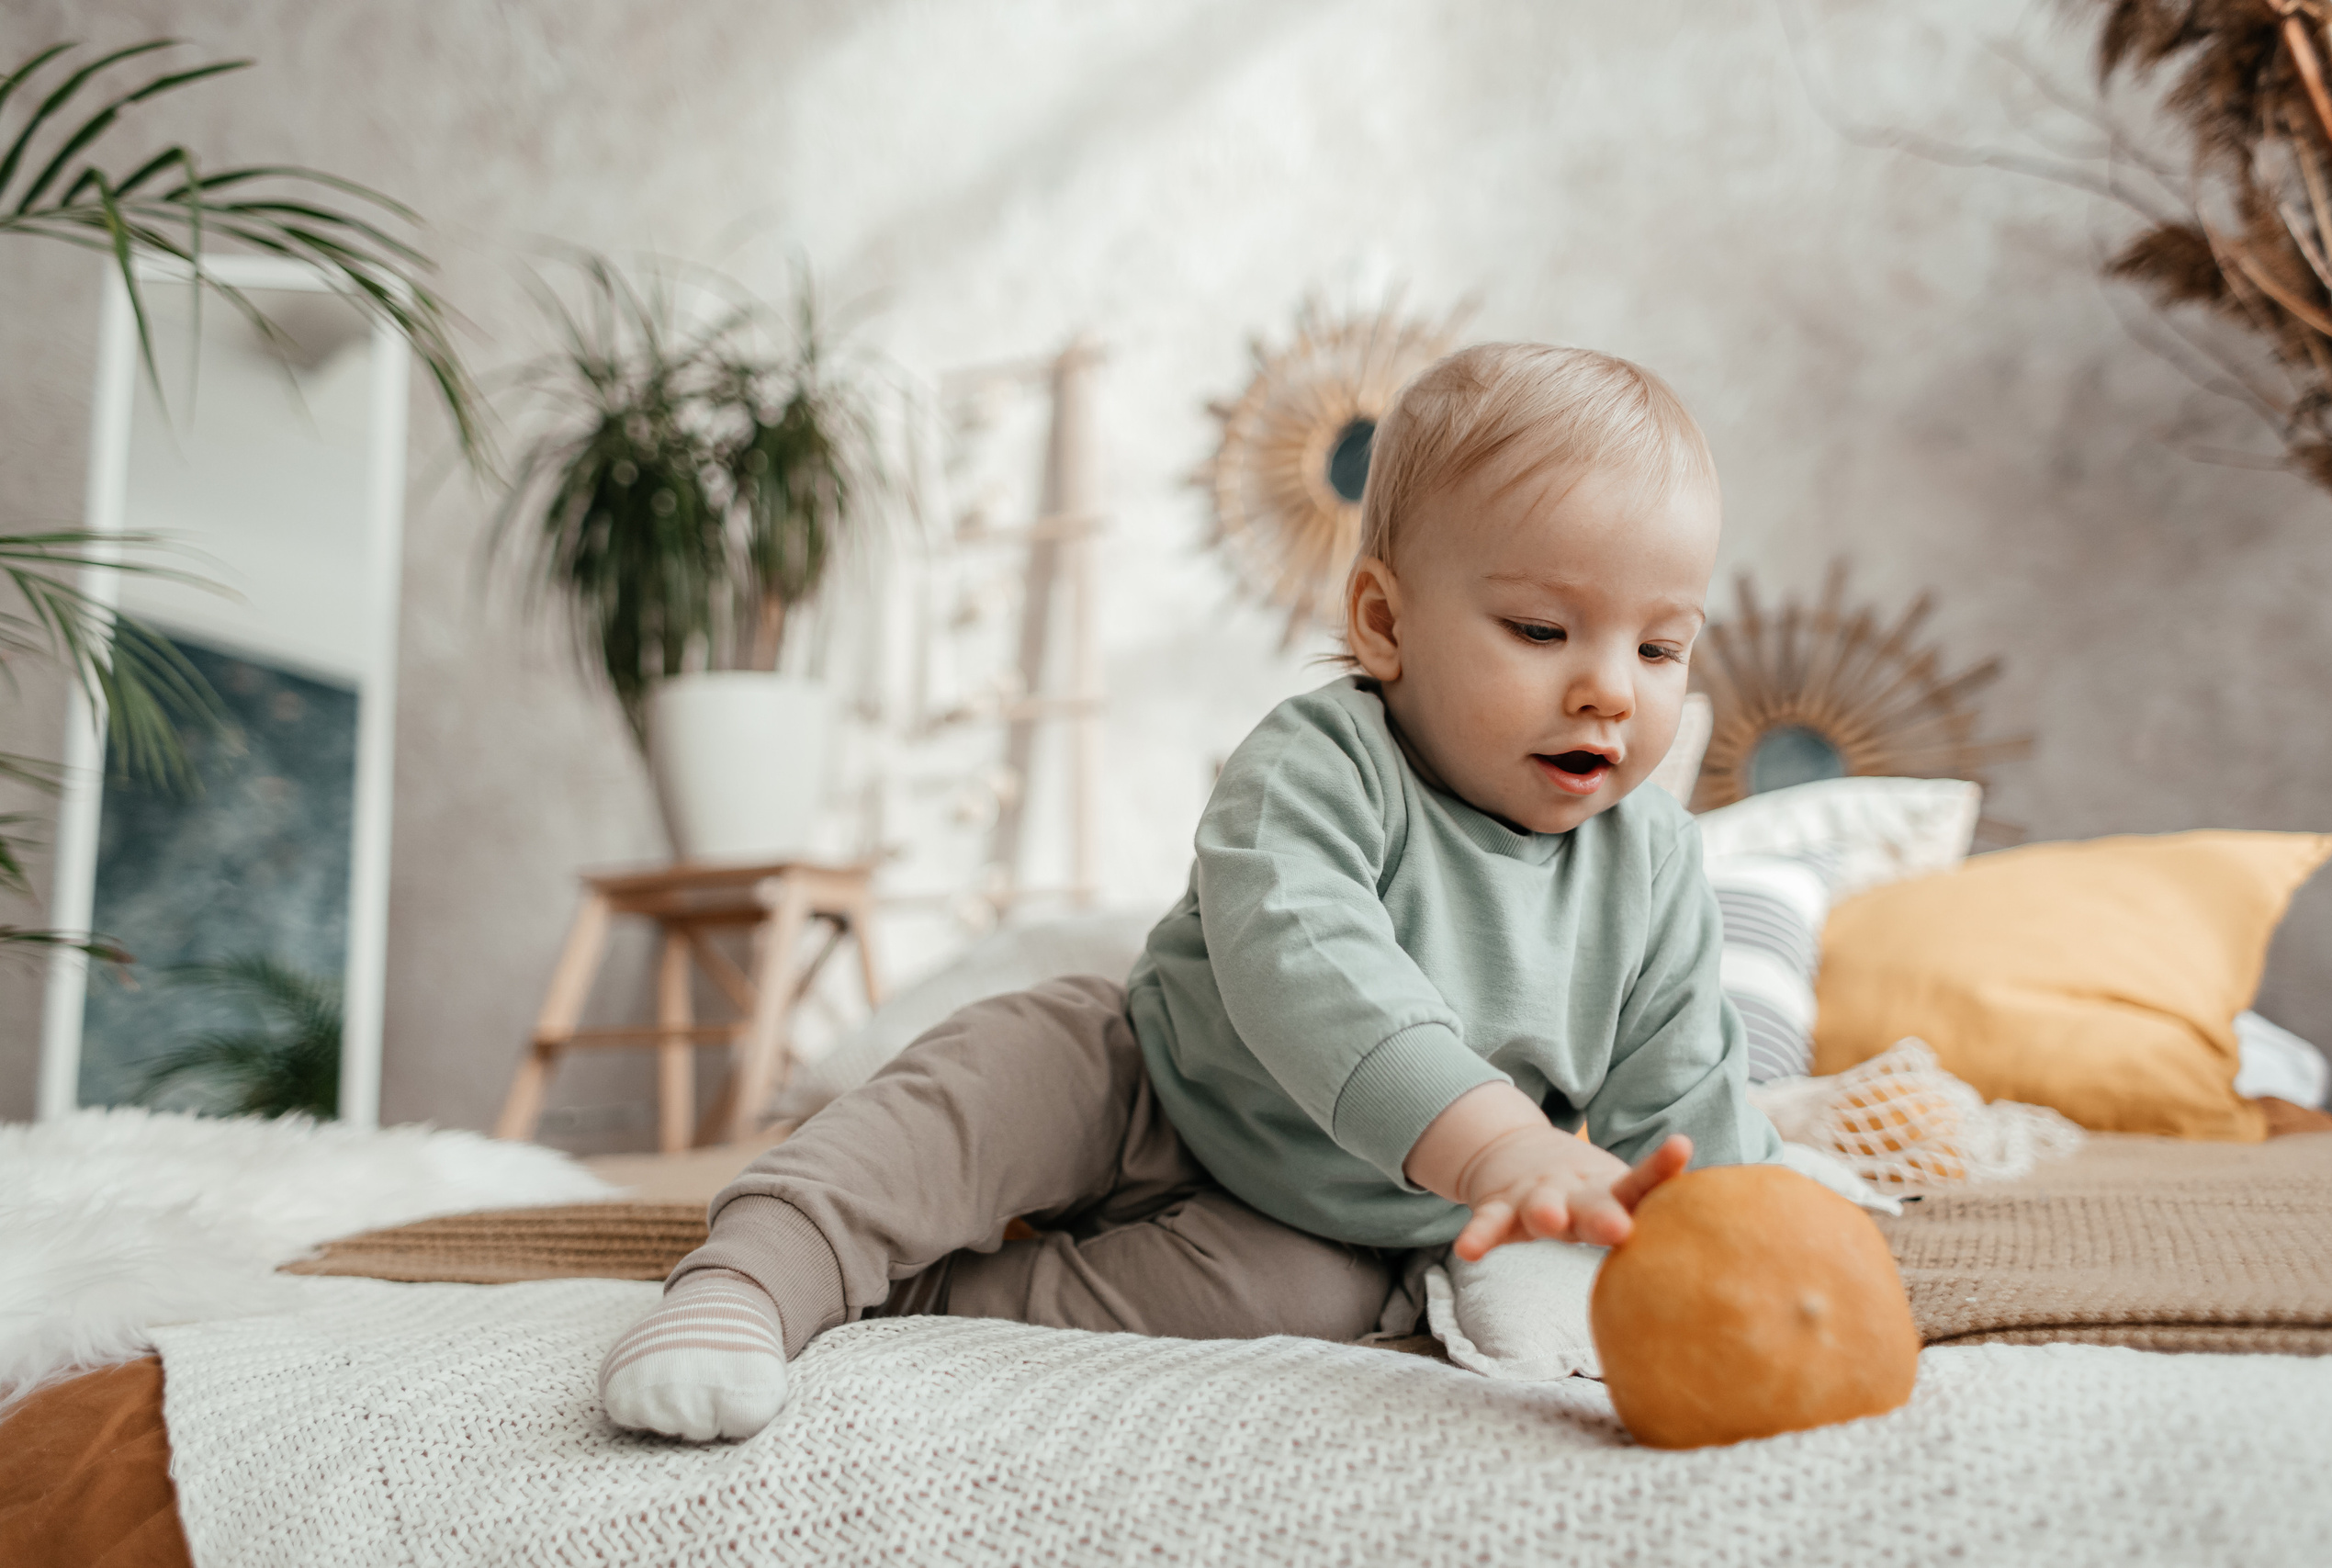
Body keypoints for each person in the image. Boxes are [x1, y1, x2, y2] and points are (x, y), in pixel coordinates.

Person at [598, 342, 1781, 1441]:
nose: (1609, 692)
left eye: (1660, 649)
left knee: (1302, 1305)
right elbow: (1312, 971)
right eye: (1541, 628)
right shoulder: (1319, 768)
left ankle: (929, 1294)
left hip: (1320, 1216)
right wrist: (1495, 1143)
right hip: (1146, 1080)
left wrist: (1752, 1243)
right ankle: (754, 1277)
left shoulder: (1655, 865)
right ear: (1385, 620)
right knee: (973, 1100)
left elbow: (1686, 1098)